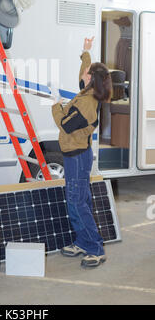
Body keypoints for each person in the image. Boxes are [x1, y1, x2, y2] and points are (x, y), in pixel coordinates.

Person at [52, 37, 112, 268]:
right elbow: (83, 73)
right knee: (78, 200)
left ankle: (94, 248)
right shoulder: (87, 90)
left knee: (77, 203)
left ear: (91, 79)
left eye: (87, 71)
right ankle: (83, 241)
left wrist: (56, 103)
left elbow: (65, 124)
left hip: (77, 156)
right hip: (75, 154)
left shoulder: (87, 103)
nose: (83, 72)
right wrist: (85, 51)